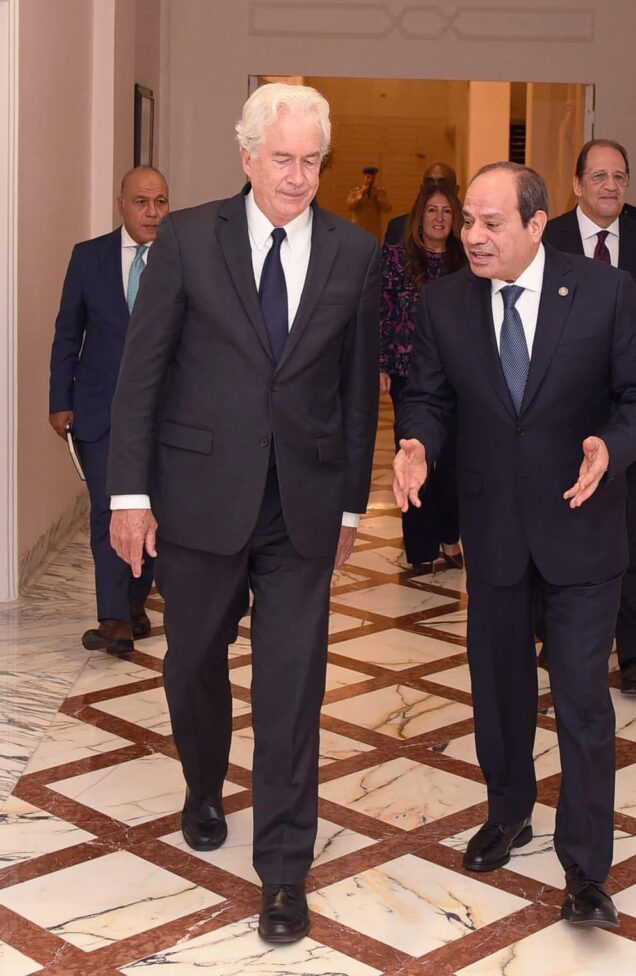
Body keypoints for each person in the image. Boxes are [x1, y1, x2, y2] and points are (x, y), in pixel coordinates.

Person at [106, 83, 380, 944]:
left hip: (301, 507)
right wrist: (129, 494)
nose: (298, 177)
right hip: (197, 499)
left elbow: (358, 392)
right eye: (283, 159)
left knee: (293, 686)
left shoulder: (355, 253)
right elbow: (141, 374)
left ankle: (284, 870)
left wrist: (351, 504)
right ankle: (202, 781)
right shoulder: (190, 239)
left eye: (312, 161)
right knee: (193, 660)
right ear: (247, 156)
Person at [393, 163, 636, 929]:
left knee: (581, 699)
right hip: (494, 533)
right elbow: (427, 395)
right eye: (468, 222)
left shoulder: (604, 293)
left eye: (491, 223)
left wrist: (612, 445)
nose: (473, 237)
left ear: (537, 223)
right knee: (500, 688)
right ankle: (508, 811)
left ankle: (586, 870)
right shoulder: (444, 302)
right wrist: (417, 442)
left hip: (582, 529)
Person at [544, 139, 636, 693]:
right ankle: (555, 643)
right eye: (599, 176)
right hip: (559, 416)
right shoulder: (547, 236)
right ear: (577, 184)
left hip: (631, 418)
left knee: (629, 532)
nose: (611, 185)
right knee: (559, 528)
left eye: (620, 176)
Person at [48, 166, 170, 656]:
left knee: (153, 511)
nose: (152, 212)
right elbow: (67, 332)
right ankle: (114, 617)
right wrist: (60, 399)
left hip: (163, 414)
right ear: (121, 204)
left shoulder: (180, 259)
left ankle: (135, 602)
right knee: (107, 508)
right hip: (98, 410)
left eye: (161, 202)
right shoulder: (89, 257)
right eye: (142, 202)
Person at [380, 182, 467, 572]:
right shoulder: (396, 258)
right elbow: (381, 312)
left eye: (447, 211)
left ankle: (450, 536)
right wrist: (381, 364)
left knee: (451, 462)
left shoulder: (466, 261)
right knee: (414, 454)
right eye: (432, 210)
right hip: (408, 372)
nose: (439, 218)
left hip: (457, 374)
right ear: (419, 217)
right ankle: (420, 547)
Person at [383, 161, 459, 245]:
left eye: (442, 184)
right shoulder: (398, 227)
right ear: (421, 188)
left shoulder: (466, 227)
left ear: (456, 190)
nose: (436, 188)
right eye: (430, 183)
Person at [346, 165, 391, 241]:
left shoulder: (379, 192)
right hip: (359, 228)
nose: (370, 180)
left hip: (374, 231)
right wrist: (360, 196)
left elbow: (388, 208)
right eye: (368, 177)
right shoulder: (355, 192)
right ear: (363, 177)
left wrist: (379, 198)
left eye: (372, 178)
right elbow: (350, 207)